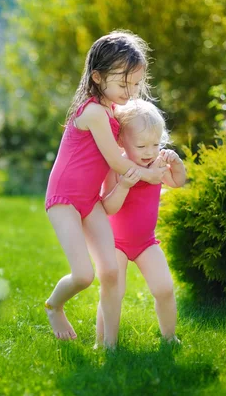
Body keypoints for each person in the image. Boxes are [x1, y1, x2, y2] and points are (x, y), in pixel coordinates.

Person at [44, 30, 167, 348]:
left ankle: (109, 344)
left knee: (110, 272)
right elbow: (116, 161)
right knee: (84, 274)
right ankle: (54, 306)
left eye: (137, 83)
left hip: (90, 201)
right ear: (97, 77)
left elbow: (132, 143)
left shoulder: (113, 111)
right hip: (65, 200)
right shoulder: (94, 112)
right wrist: (150, 176)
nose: (132, 91)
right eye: (124, 83)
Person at [96, 99, 186, 346]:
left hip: (146, 242)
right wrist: (125, 184)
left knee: (165, 289)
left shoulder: (157, 164)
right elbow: (108, 207)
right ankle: (105, 342)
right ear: (121, 141)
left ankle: (170, 337)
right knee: (113, 293)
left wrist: (176, 164)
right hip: (116, 244)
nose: (149, 151)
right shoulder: (116, 167)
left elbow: (178, 181)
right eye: (142, 145)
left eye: (155, 144)